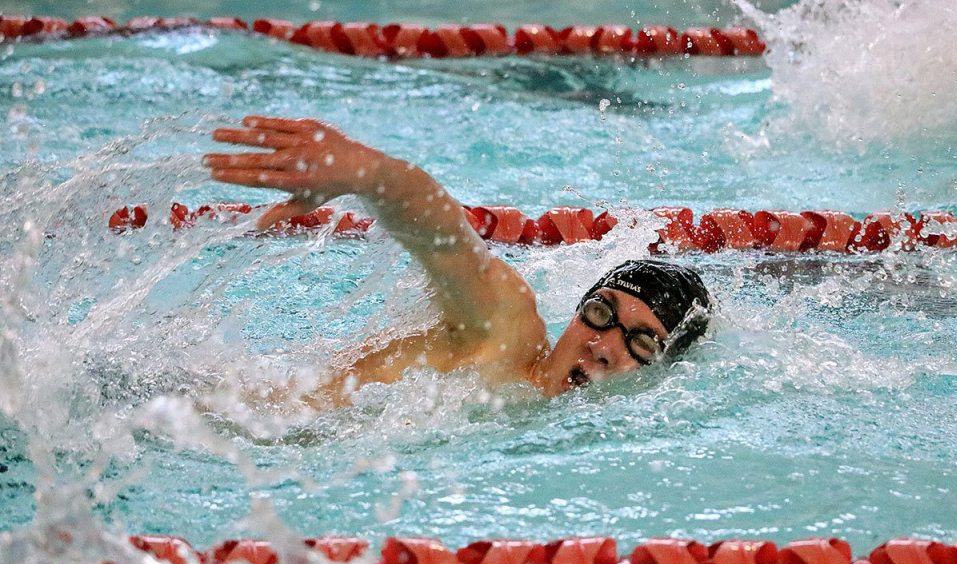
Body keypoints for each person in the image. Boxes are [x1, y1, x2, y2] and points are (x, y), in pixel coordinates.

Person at [203, 116, 712, 409]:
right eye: (602, 313)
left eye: (642, 343)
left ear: (663, 374)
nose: (603, 346)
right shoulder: (506, 332)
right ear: (576, 312)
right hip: (228, 413)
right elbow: (446, 241)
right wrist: (367, 171)